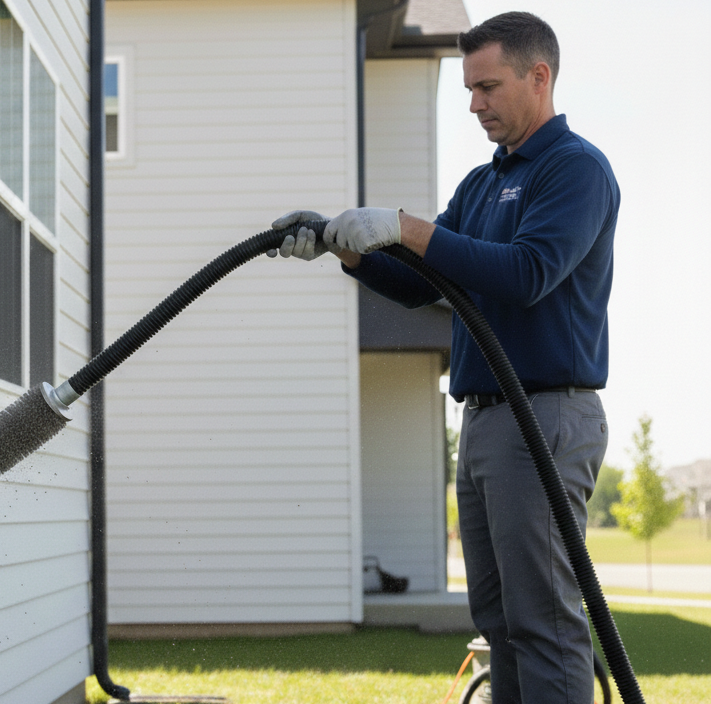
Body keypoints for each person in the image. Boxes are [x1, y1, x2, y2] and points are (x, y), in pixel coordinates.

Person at [270, 11, 620, 704]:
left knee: (543, 622)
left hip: (543, 417)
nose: (473, 104)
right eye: (469, 88)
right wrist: (343, 247)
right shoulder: (481, 184)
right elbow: (417, 283)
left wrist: (404, 227)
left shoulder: (574, 170)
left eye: (487, 86)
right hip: (486, 421)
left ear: (537, 75)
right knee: (499, 621)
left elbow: (526, 274)